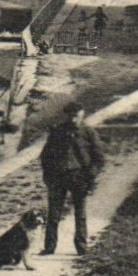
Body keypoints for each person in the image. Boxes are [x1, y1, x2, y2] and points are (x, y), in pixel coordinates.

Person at [40, 102, 106, 256]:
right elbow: (46, 155)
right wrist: (48, 174)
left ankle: (81, 248)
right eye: (71, 116)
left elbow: (99, 158)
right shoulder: (57, 131)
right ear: (67, 115)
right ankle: (49, 247)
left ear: (82, 115)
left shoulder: (89, 132)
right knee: (53, 213)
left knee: (80, 214)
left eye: (76, 116)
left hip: (79, 177)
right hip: (58, 177)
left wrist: (90, 175)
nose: (73, 119)